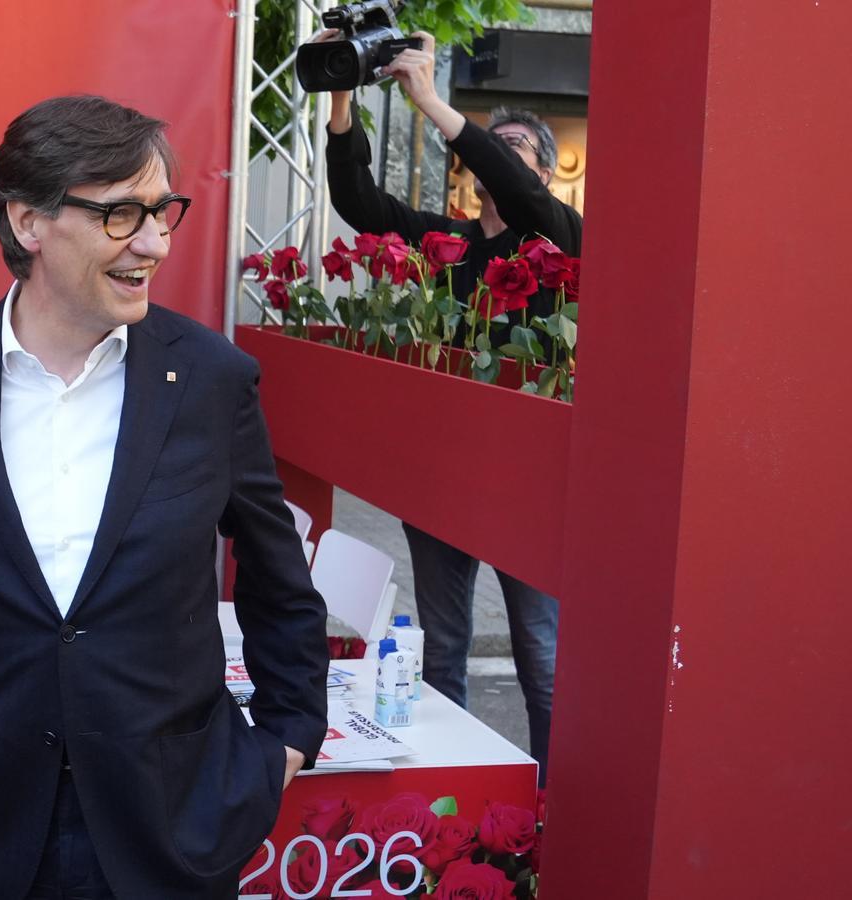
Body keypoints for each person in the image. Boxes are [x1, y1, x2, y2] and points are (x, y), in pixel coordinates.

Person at [0, 95, 329, 900]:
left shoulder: (210, 379)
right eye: (122, 214)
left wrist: (286, 743)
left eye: (161, 211)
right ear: (29, 222)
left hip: (173, 826)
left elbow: (279, 585)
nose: (154, 243)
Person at [322, 30, 580, 783]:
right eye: (490, 146)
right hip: (445, 476)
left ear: (541, 171)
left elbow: (522, 193)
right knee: (442, 648)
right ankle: (448, 794)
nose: (497, 156)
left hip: (530, 484)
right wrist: (343, 99)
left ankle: (550, 808)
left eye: (514, 147)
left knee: (542, 654)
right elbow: (358, 203)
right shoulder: (449, 242)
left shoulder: (558, 237)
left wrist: (432, 100)